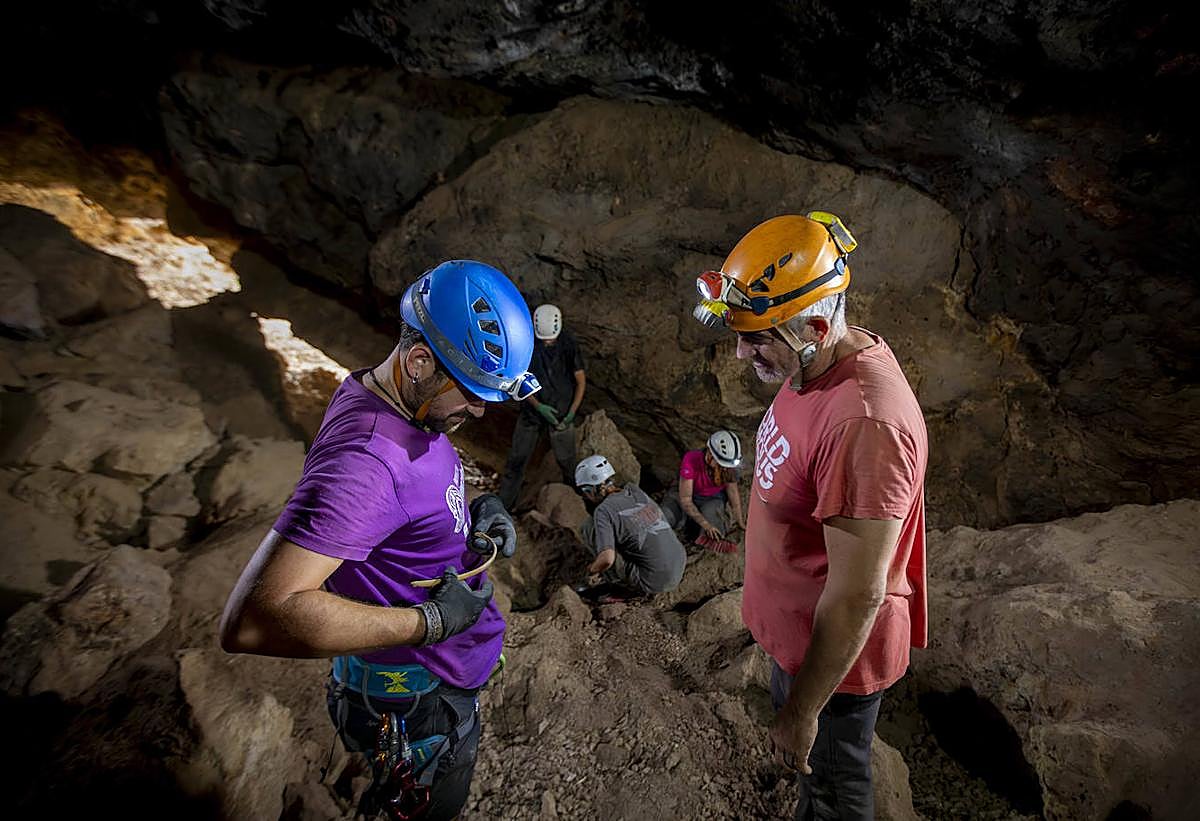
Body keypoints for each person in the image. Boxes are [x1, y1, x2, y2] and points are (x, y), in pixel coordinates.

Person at [219, 260, 542, 821]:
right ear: (419, 360)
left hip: (427, 676)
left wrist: (473, 515)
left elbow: (400, 508)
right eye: (471, 392)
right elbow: (255, 618)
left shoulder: (391, 401)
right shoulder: (368, 462)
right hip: (416, 696)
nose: (482, 409)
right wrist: (430, 623)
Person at [693, 212, 928, 820]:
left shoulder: (865, 425)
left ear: (818, 325)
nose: (743, 352)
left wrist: (801, 712)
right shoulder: (816, 359)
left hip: (832, 671)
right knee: (815, 786)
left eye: (757, 337)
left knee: (834, 791)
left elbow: (856, 595)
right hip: (795, 642)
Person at [497, 303, 586, 510]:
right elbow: (517, 379)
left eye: (551, 338)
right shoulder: (527, 343)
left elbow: (581, 380)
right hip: (532, 413)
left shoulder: (568, 343)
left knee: (568, 464)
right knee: (516, 461)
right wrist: (538, 407)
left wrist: (572, 412)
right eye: (544, 338)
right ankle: (503, 508)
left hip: (561, 414)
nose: (548, 341)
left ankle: (578, 508)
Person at [574, 454, 686, 599]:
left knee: (588, 528)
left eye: (584, 492)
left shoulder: (603, 510)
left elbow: (607, 559)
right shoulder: (634, 490)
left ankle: (614, 583)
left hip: (655, 581)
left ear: (590, 490)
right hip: (679, 562)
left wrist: (592, 570)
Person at [661, 429, 747, 543]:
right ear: (710, 454)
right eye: (721, 464)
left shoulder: (730, 466)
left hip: (712, 498)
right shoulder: (691, 460)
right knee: (665, 516)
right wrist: (705, 525)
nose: (725, 468)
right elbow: (686, 500)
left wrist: (740, 521)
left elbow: (733, 493)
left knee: (715, 530)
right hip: (683, 493)